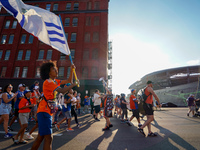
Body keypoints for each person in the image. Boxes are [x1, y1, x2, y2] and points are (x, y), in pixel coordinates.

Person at [31, 61, 79, 150]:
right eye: (53, 69)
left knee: (41, 137)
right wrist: (73, 85)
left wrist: (72, 70)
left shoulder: (54, 81)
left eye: (56, 68)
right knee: (49, 138)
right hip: (44, 111)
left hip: (46, 112)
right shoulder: (48, 82)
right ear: (48, 72)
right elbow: (63, 90)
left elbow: (68, 81)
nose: (56, 70)